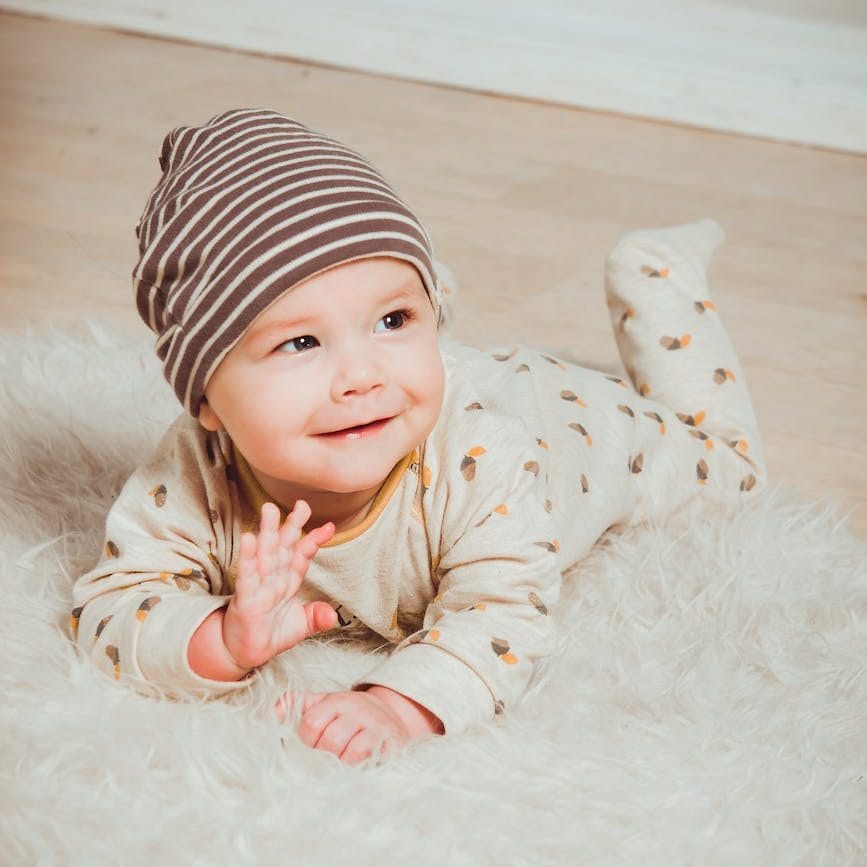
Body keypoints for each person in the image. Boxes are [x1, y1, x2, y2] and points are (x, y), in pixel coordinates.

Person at [71, 108, 765, 765]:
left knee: (728, 465)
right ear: (205, 399)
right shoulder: (194, 472)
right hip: (442, 385)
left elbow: (500, 614)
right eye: (301, 341)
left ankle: (653, 276)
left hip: (564, 421)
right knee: (403, 358)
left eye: (393, 320)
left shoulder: (485, 459)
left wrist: (397, 706)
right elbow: (110, 608)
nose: (360, 377)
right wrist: (218, 637)